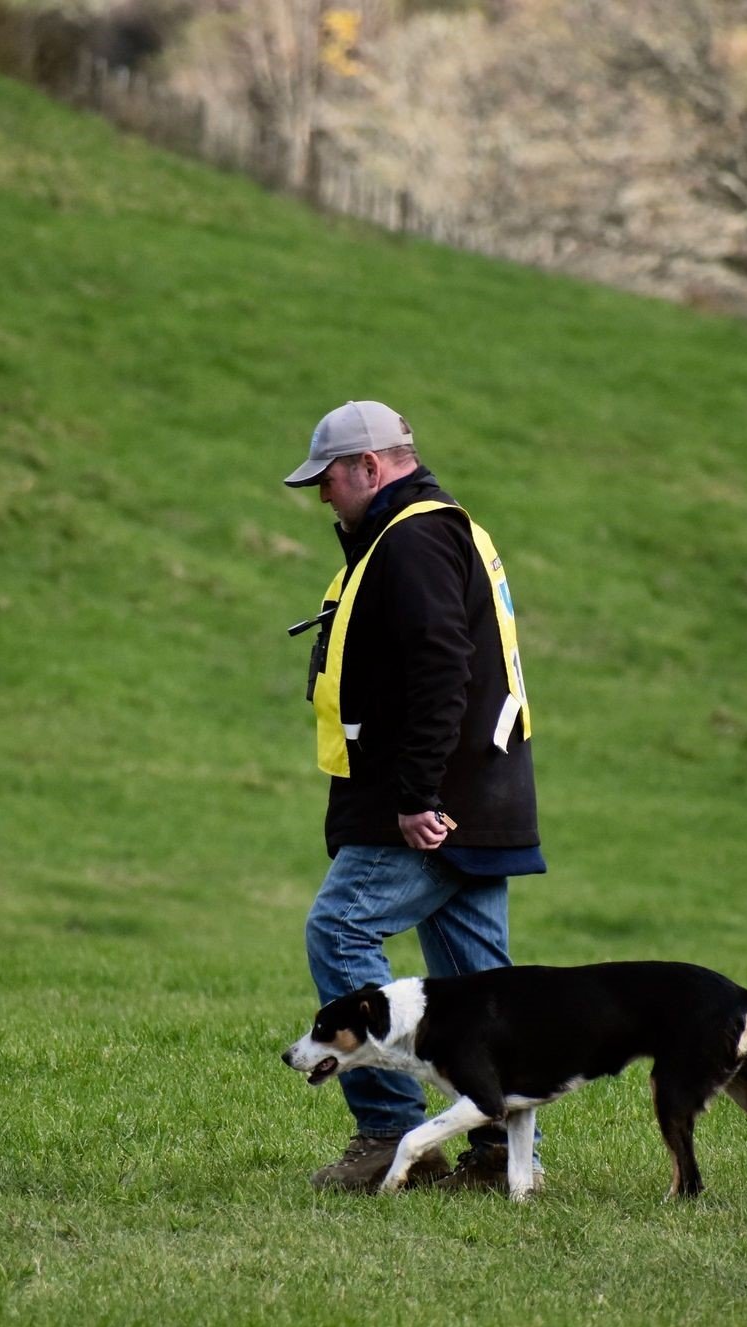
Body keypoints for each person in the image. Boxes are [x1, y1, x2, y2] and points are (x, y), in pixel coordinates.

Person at [282, 399, 544, 1193]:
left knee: (339, 929)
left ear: (370, 467)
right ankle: (502, 1153)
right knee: (478, 988)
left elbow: (440, 668)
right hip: (486, 794)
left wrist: (414, 793)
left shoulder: (415, 537)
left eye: (328, 480)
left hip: (433, 802)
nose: (322, 497)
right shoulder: (439, 527)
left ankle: (394, 1129)